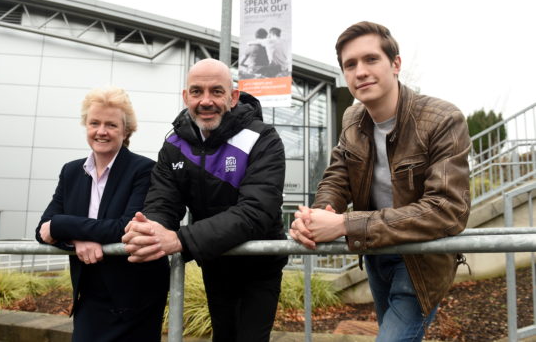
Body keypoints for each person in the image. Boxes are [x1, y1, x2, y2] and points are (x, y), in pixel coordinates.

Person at [289, 21, 471, 342]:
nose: (360, 71)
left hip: (421, 259)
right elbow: (338, 174)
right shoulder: (352, 118)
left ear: (395, 64)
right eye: (350, 64)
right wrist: (320, 214)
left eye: (371, 59)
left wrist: (345, 225)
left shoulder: (442, 119)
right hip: (375, 253)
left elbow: (447, 210)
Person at [122, 58, 288, 342]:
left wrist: (181, 240)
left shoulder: (263, 139)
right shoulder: (173, 145)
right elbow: (162, 203)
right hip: (215, 260)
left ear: (233, 97)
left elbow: (255, 212)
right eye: (197, 92)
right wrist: (151, 230)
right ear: (186, 97)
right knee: (223, 337)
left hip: (259, 265)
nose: (206, 101)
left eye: (217, 91)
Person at [35, 88, 169, 342]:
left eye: (111, 124)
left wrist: (62, 225)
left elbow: (123, 228)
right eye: (94, 123)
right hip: (90, 293)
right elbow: (42, 229)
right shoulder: (71, 172)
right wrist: (77, 241)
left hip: (135, 296)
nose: (101, 131)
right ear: (85, 125)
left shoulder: (144, 170)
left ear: (126, 130)